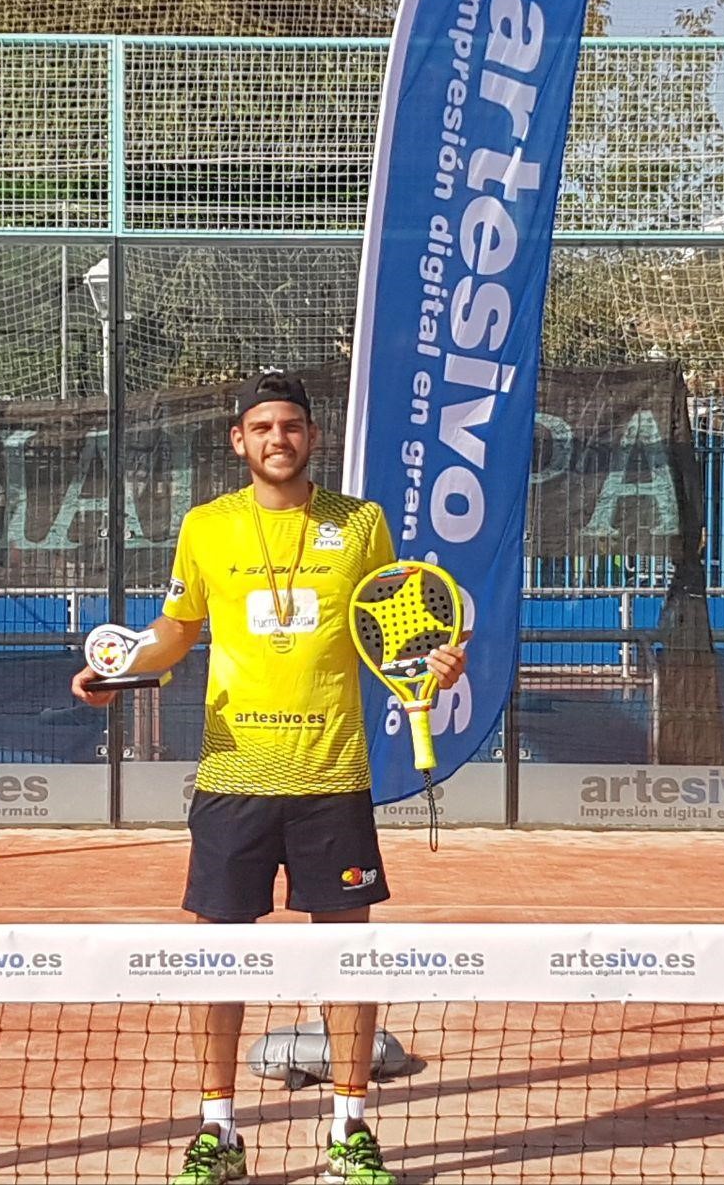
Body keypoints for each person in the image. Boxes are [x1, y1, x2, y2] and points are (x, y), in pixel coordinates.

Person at [73, 370, 465, 1185]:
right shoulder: (207, 526)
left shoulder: (360, 523)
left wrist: (438, 663)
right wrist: (120, 666)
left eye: (291, 425)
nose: (277, 438)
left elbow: (393, 620)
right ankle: (218, 1132)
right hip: (234, 775)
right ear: (238, 440)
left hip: (332, 775)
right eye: (261, 427)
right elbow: (179, 627)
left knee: (346, 958)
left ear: (312, 437)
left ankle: (351, 1129)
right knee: (217, 958)